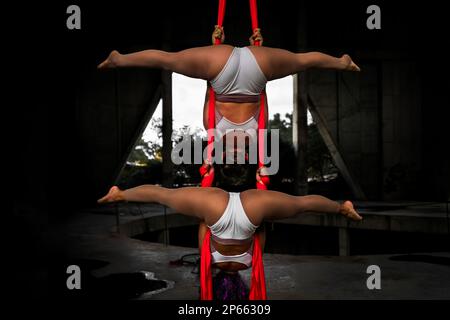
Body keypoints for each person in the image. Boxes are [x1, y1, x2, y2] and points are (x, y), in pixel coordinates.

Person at [97, 184, 362, 299]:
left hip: (251, 212)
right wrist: (207, 217)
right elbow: (204, 233)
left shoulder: (246, 267)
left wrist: (261, 219)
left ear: (240, 287)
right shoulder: (211, 264)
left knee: (300, 204)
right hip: (217, 211)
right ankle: (120, 195)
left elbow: (259, 237)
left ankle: (342, 208)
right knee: (165, 195)